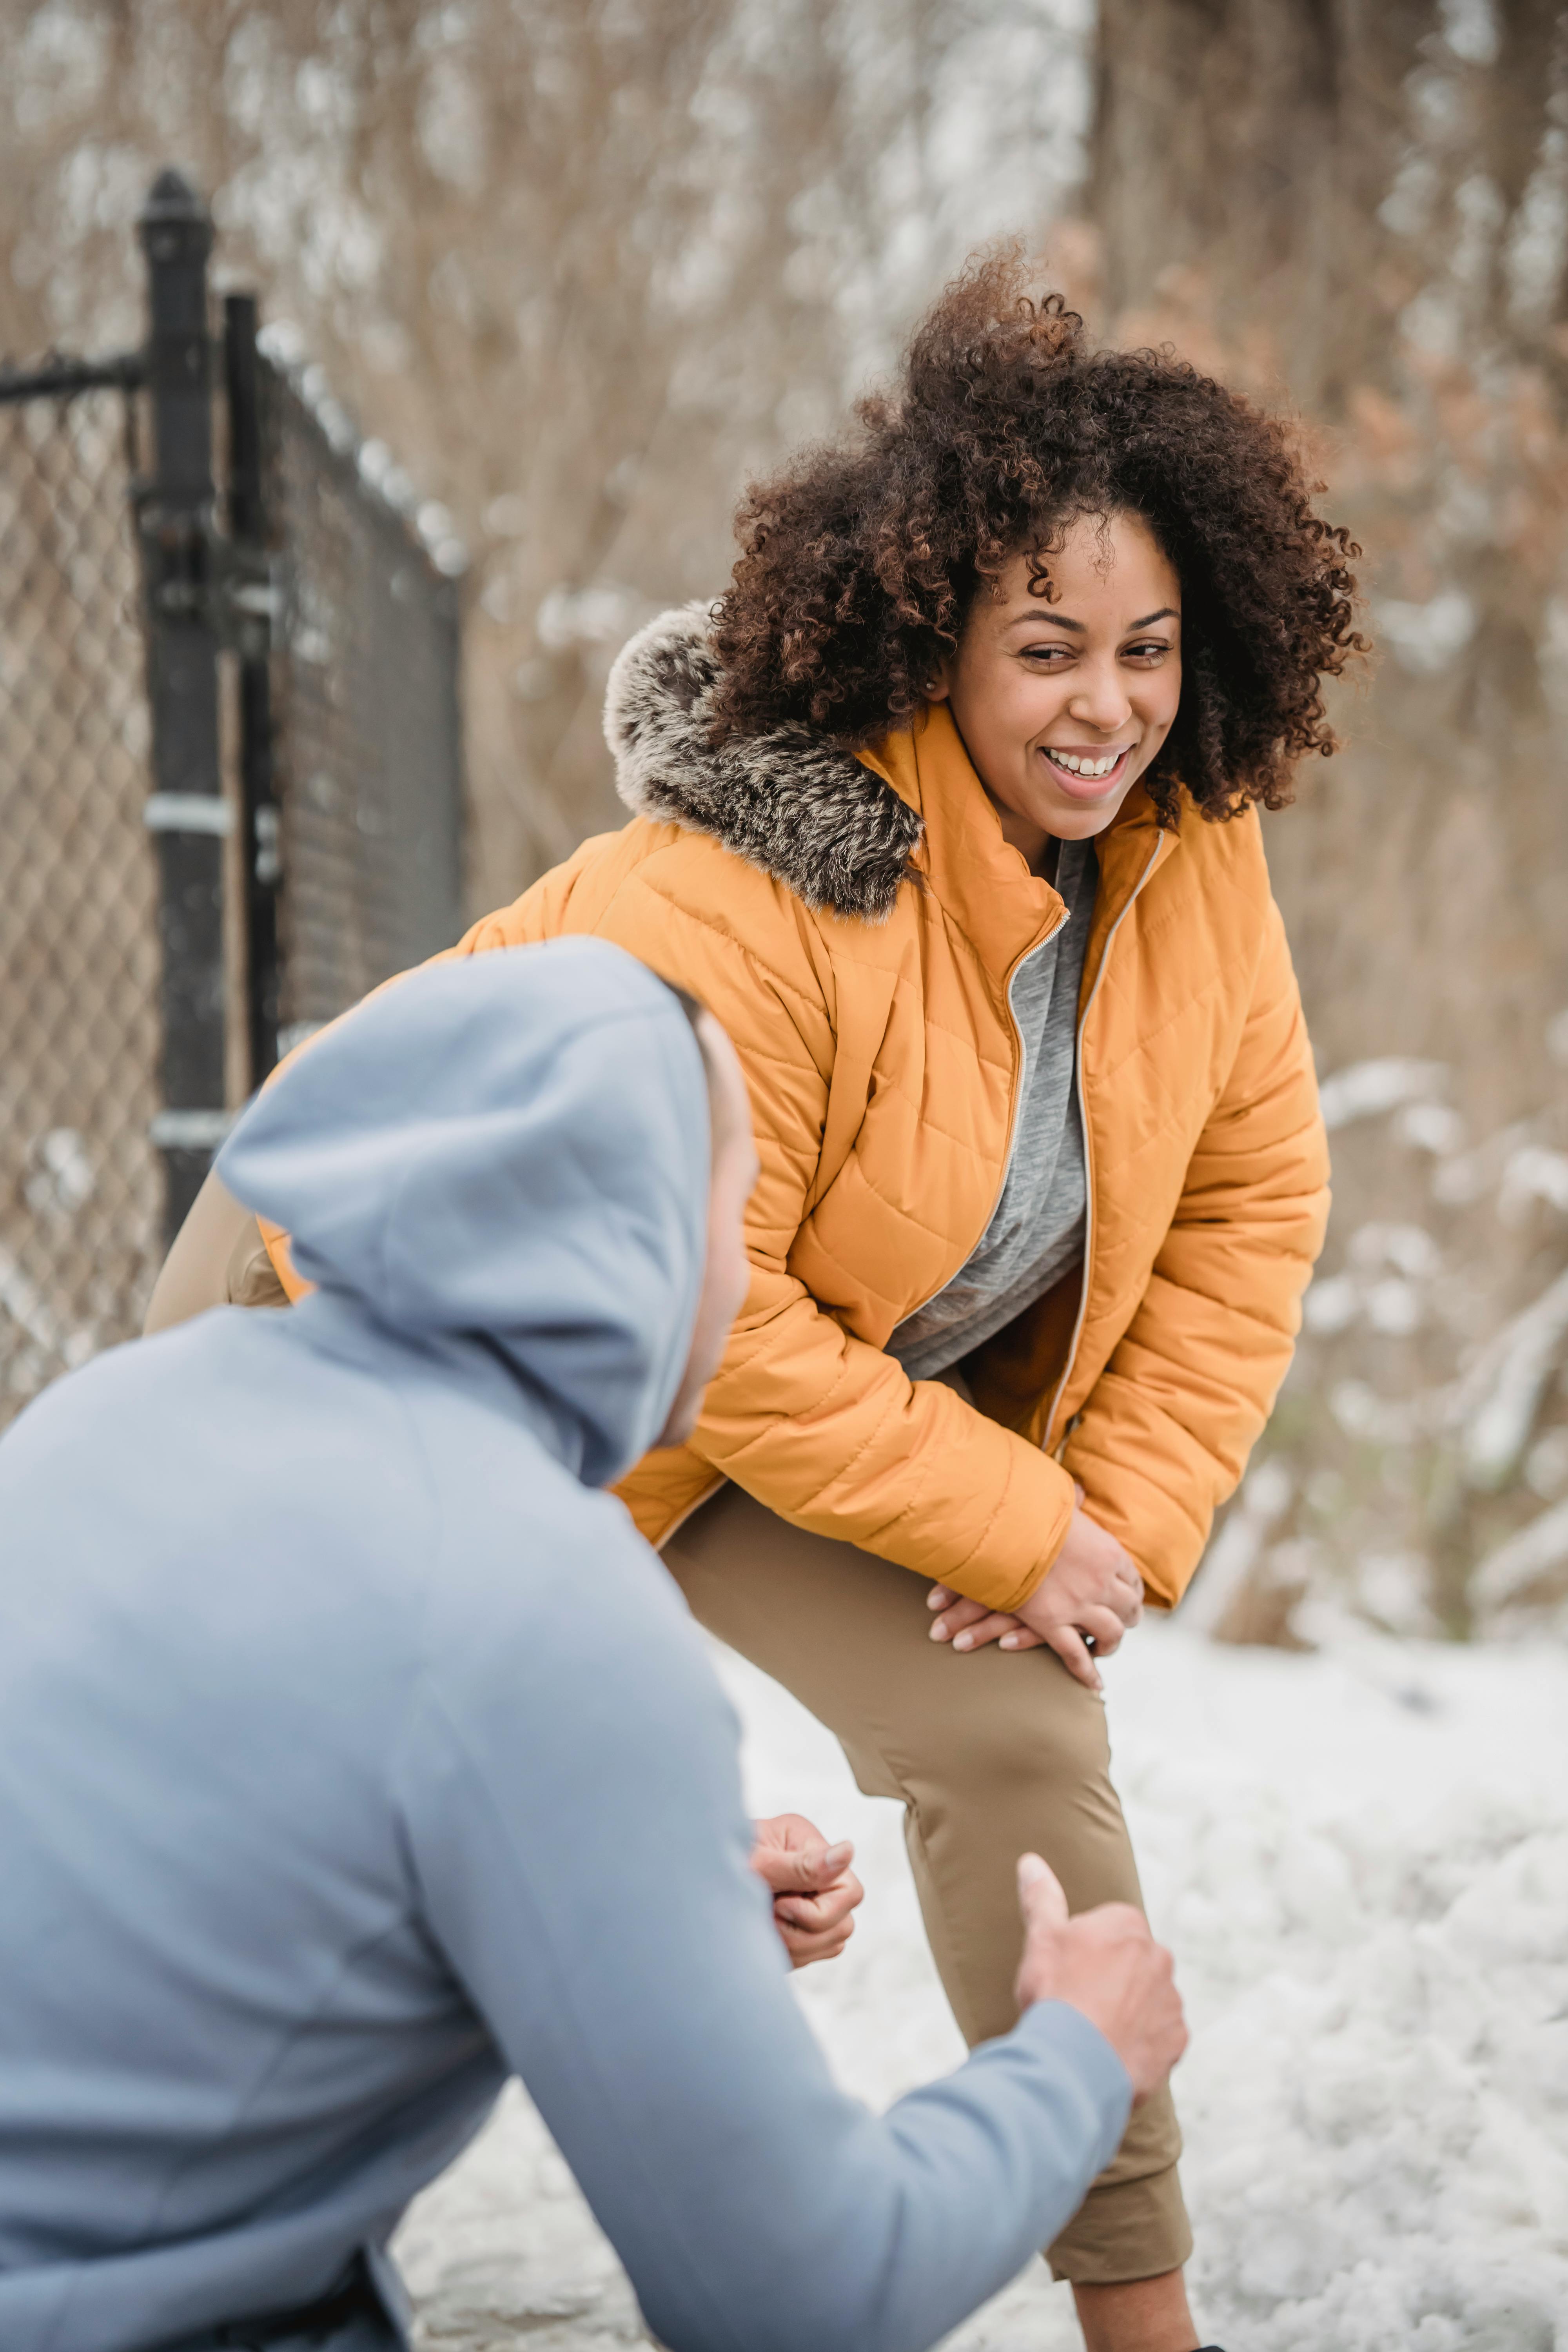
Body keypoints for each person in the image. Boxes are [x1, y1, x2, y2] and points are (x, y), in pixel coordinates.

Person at [152, 256, 1348, 2352]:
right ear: (932, 639)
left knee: (1010, 1724)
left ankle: (1143, 2323)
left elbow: (1255, 1193)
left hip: (730, 1390)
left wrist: (1113, 1524)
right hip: (359, 1324)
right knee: (263, 1838)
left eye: (1149, 650)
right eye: (1046, 646)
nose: (1108, 704)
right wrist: (997, 1511)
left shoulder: (1185, 845)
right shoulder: (771, 884)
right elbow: (704, 1311)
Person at [0, 941, 1192, 2352]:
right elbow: (799, 2298)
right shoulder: (537, 1598)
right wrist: (1074, 2059)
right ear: (633, 1234)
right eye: (733, 1211)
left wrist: (599, 1884)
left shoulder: (98, 1424)